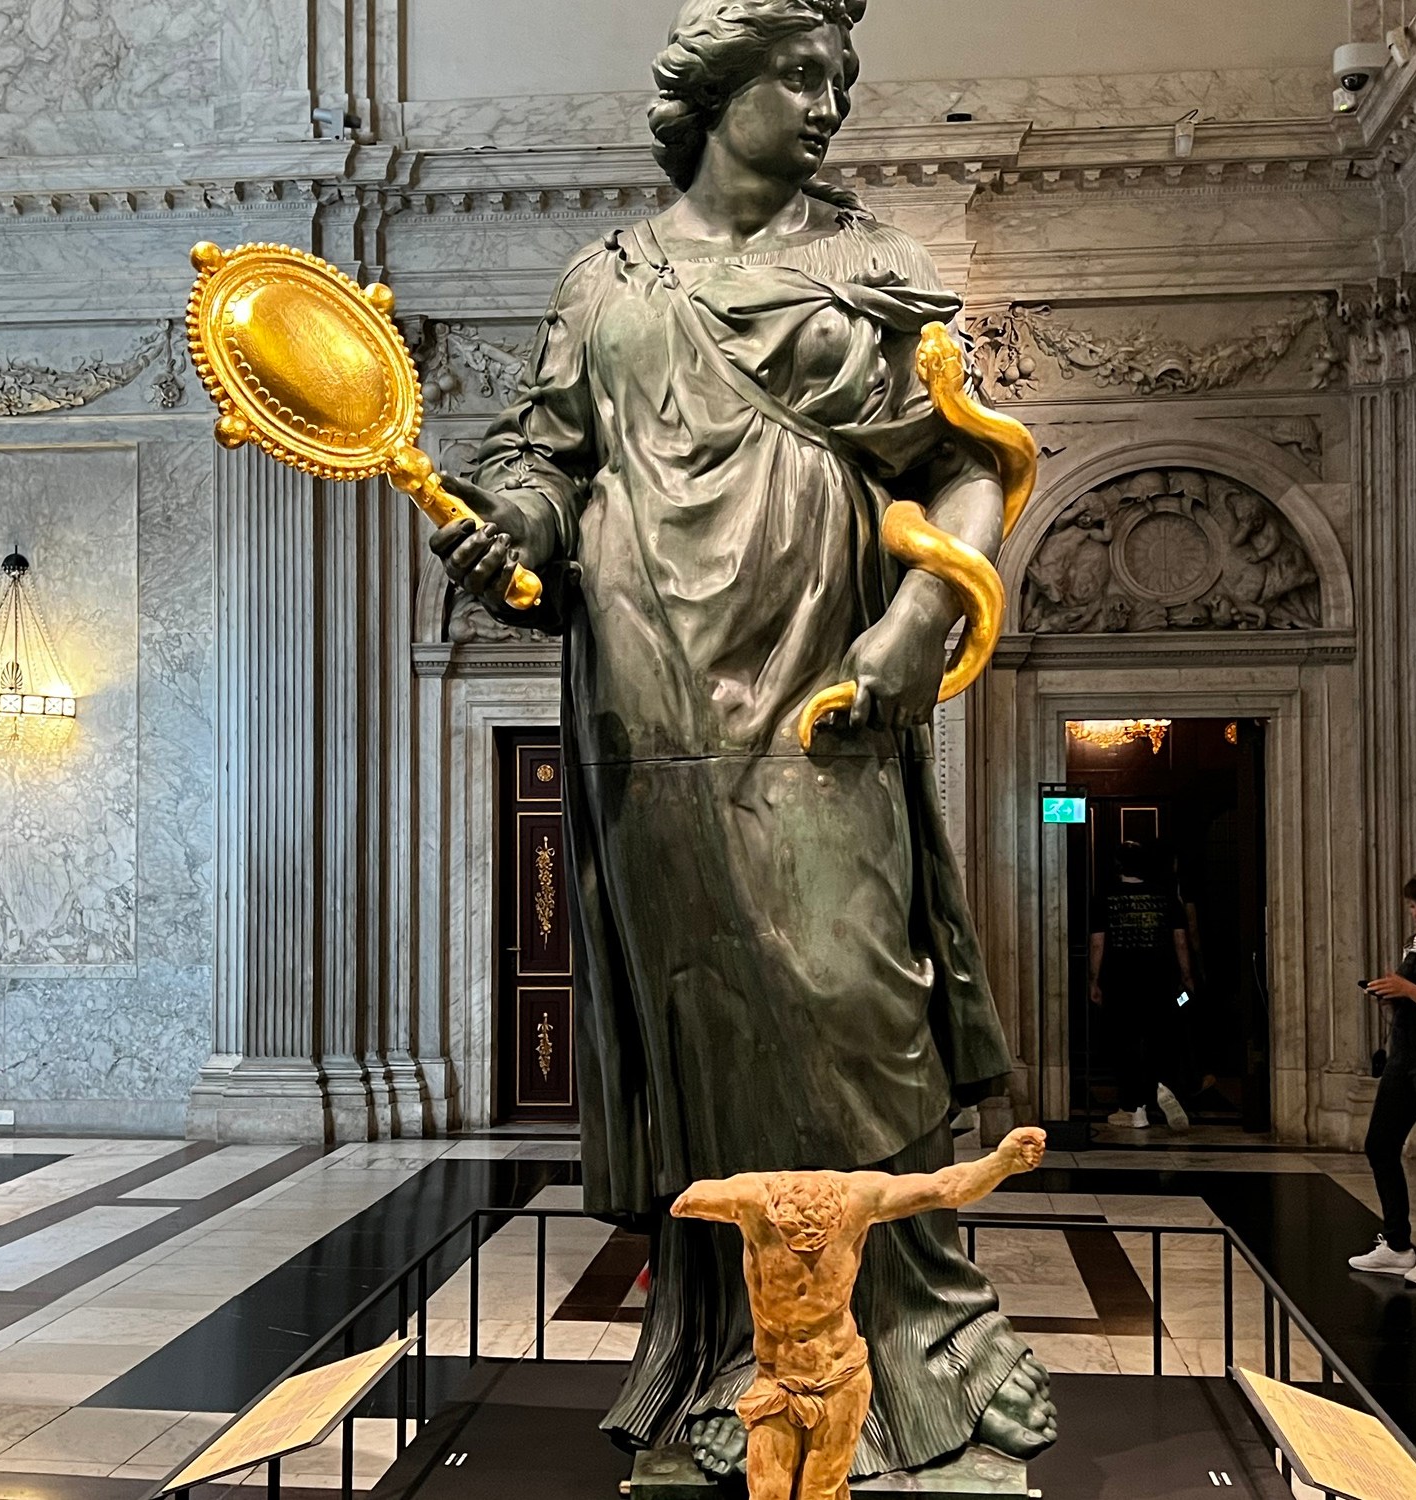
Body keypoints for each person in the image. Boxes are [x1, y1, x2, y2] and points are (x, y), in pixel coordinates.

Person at [431, 0, 1056, 1478]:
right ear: (715, 91)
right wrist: (509, 526)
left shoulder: (871, 267)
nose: (828, 103)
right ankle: (744, 1356)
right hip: (651, 709)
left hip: (824, 697)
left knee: (859, 997)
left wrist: (922, 619)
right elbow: (546, 465)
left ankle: (920, 1346)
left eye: (840, 78)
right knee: (712, 1015)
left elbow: (969, 464)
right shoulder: (607, 283)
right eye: (798, 75)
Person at [672, 1128, 1050, 1500]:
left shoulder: (859, 1197)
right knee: (768, 1491)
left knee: (819, 1493)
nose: (808, 1250)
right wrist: (690, 1200)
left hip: (840, 1377)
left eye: (819, 1245)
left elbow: (946, 1187)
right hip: (777, 1382)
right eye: (794, 1242)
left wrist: (1002, 1162)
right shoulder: (752, 1200)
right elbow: (689, 1198)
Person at [1348, 869, 1416, 1287]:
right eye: (1412, 905)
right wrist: (1387, 994)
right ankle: (1396, 1244)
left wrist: (1409, 990)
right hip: (1404, 1054)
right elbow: (1411, 999)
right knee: (1379, 1144)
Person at [1088, 840, 1195, 1131]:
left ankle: (1133, 1107)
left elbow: (1098, 943)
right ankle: (1161, 1088)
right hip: (1162, 981)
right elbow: (1180, 941)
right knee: (1160, 1039)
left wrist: (1094, 981)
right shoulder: (1165, 896)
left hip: (1120, 982)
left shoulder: (1105, 898)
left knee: (1125, 1044)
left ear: (1118, 866)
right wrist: (1187, 978)